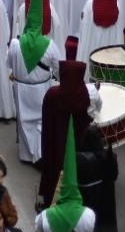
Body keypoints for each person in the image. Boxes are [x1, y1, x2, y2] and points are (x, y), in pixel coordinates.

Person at [9, 0, 62, 164]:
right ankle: (40, 153)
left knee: (25, 122)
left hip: (22, 89)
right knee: (41, 121)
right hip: (42, 88)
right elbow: (57, 68)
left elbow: (10, 64)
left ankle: (28, 154)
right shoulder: (49, 45)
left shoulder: (15, 44)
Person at [38, 60, 93, 208]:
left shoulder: (52, 94)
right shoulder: (85, 94)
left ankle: (50, 199)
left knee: (54, 170)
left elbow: (46, 119)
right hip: (78, 145)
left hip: (55, 143)